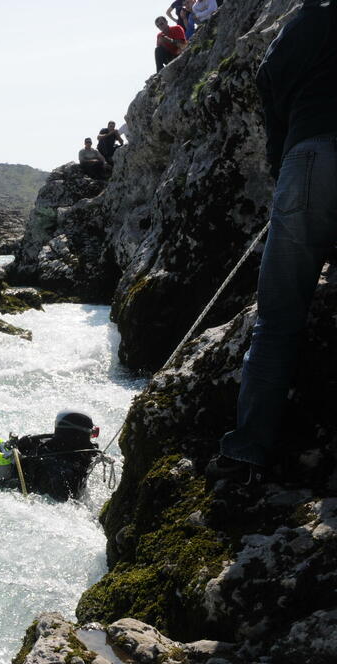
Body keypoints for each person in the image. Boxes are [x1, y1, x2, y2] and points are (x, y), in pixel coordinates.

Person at [207, 0, 337, 484]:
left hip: (309, 158)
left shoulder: (309, 18)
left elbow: (268, 79)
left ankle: (246, 453)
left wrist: (281, 158)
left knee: (279, 317)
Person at [0, 411, 101, 501]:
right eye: (91, 433)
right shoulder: (59, 470)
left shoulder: (45, 445)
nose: (92, 439)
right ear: (78, 435)